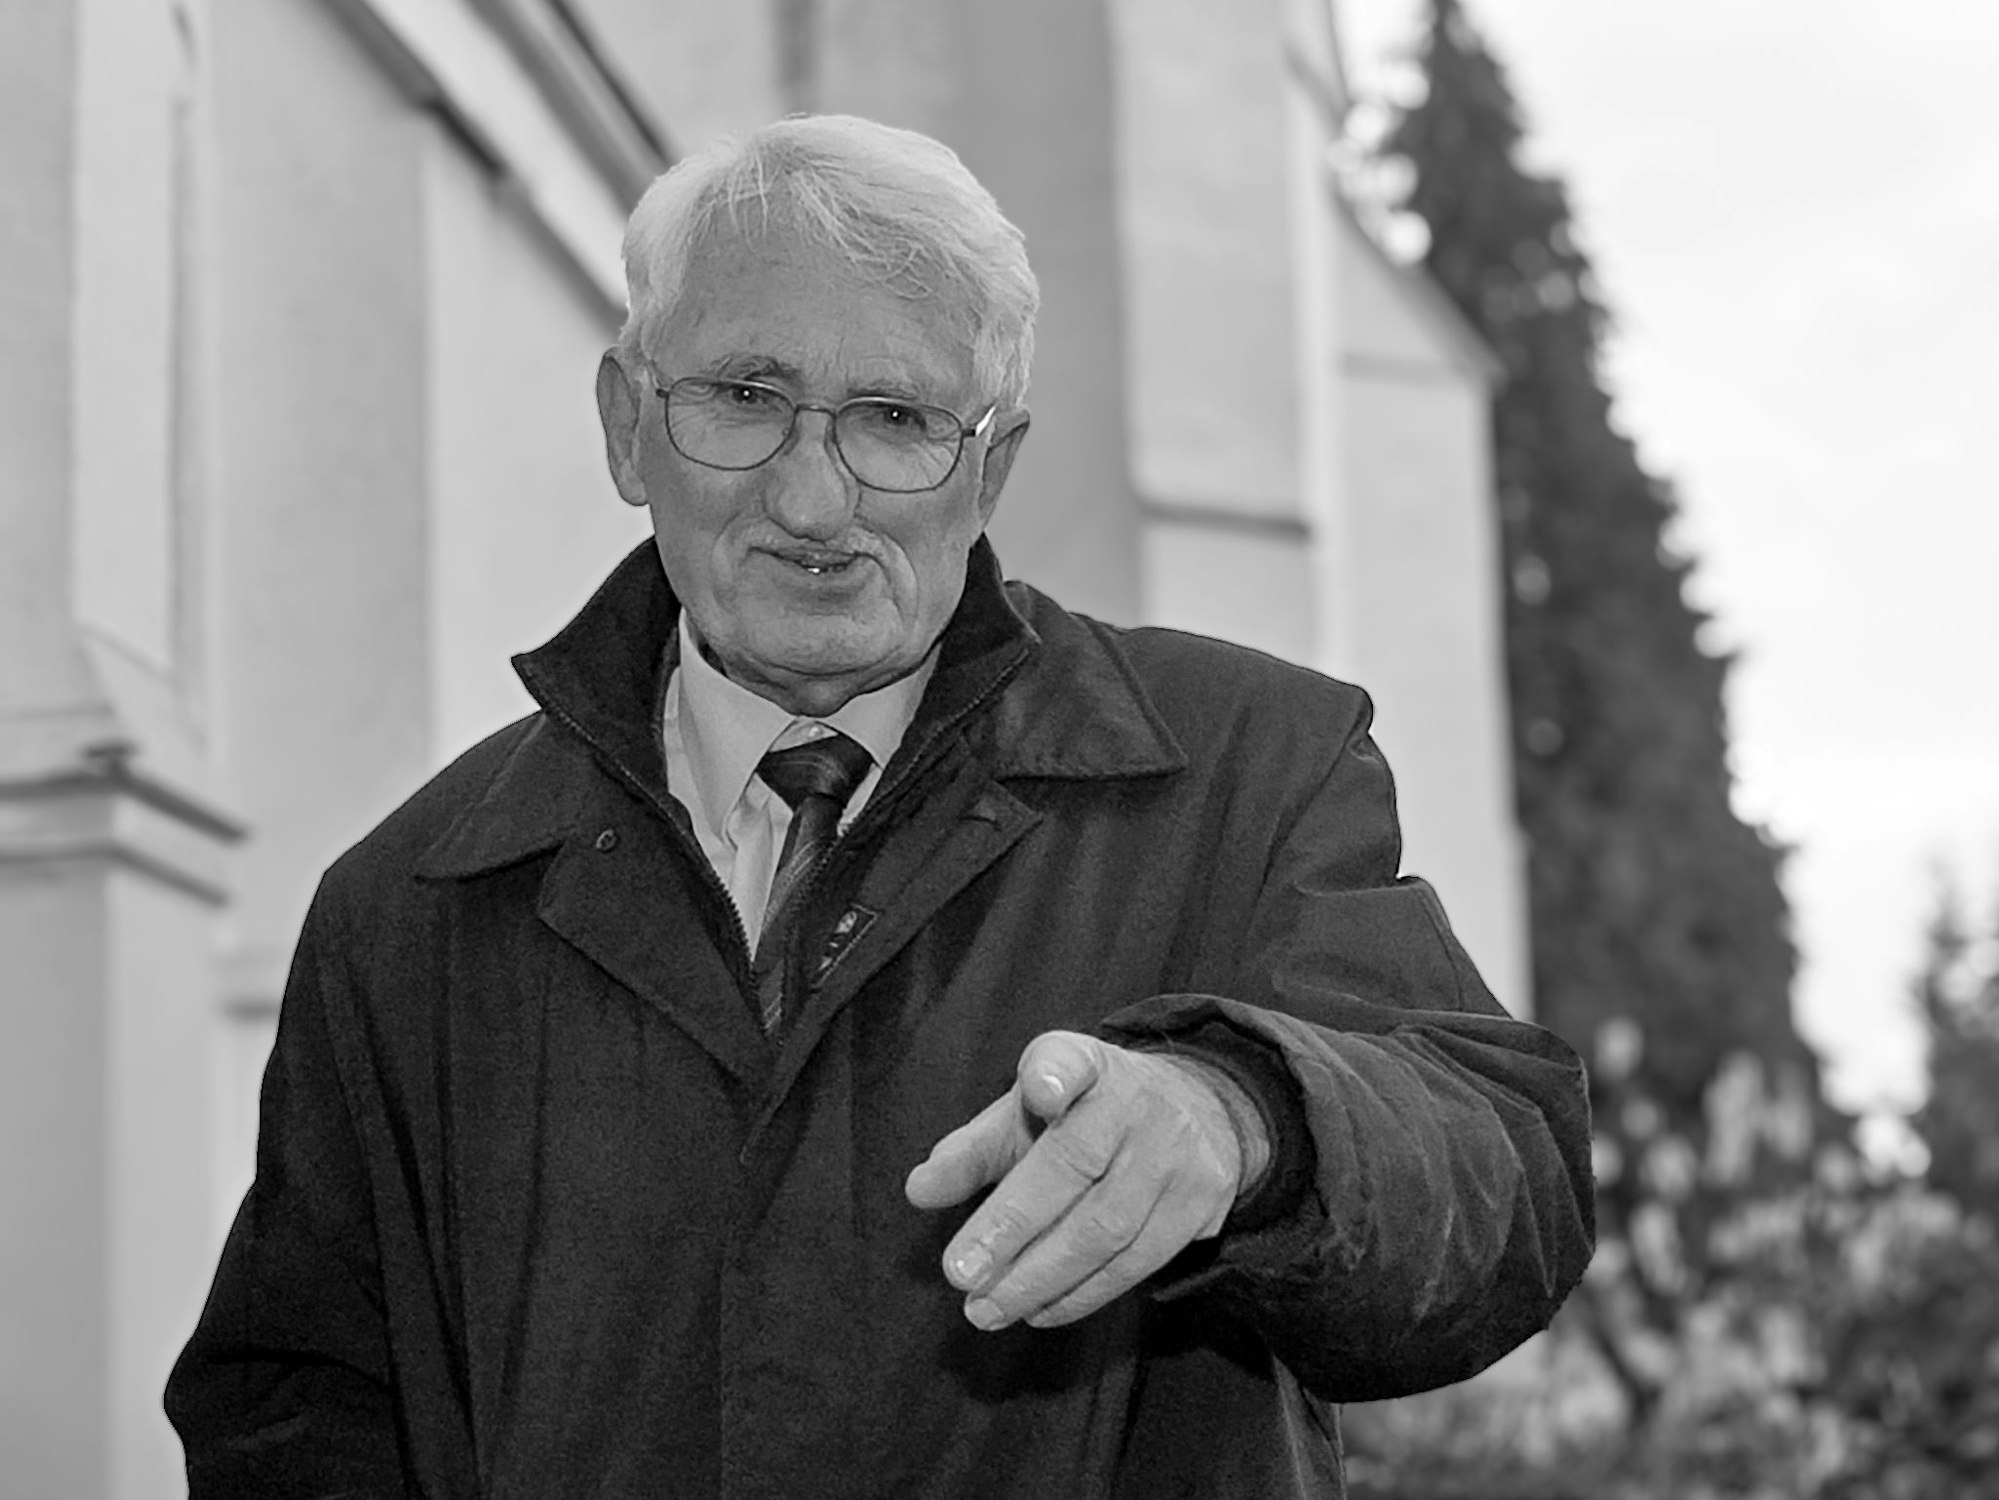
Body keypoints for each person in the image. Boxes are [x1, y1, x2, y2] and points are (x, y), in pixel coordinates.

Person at [165, 114, 1593, 1498]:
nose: (812, 499)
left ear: (993, 468)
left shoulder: (1245, 767)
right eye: (744, 398)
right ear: (626, 427)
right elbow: (292, 1412)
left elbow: (1506, 1179)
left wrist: (1249, 1118)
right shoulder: (410, 899)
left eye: (897, 420)